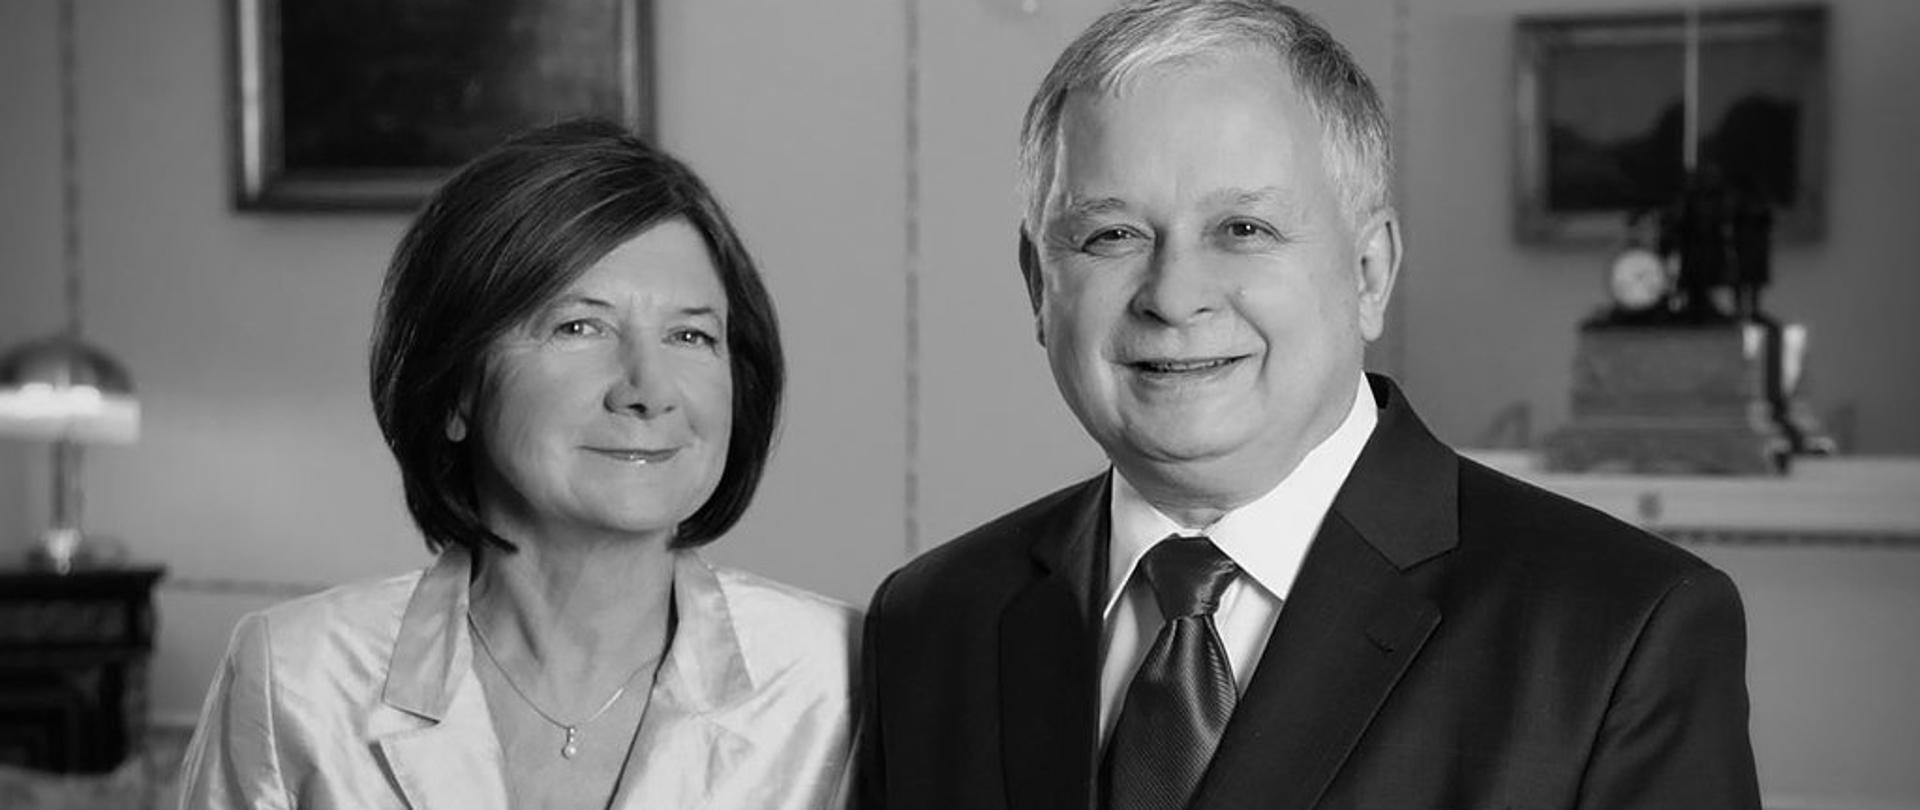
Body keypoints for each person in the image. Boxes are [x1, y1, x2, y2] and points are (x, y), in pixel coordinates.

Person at [856, 1, 1761, 808]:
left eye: (1242, 230)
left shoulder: (1618, 631)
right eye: (1111, 235)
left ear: (1370, 273)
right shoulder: (934, 622)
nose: (1174, 296)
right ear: (1036, 285)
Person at [178, 120, 857, 809]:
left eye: (690, 334)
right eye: (579, 327)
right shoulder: (294, 677)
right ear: (457, 389)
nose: (648, 390)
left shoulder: (843, 681)